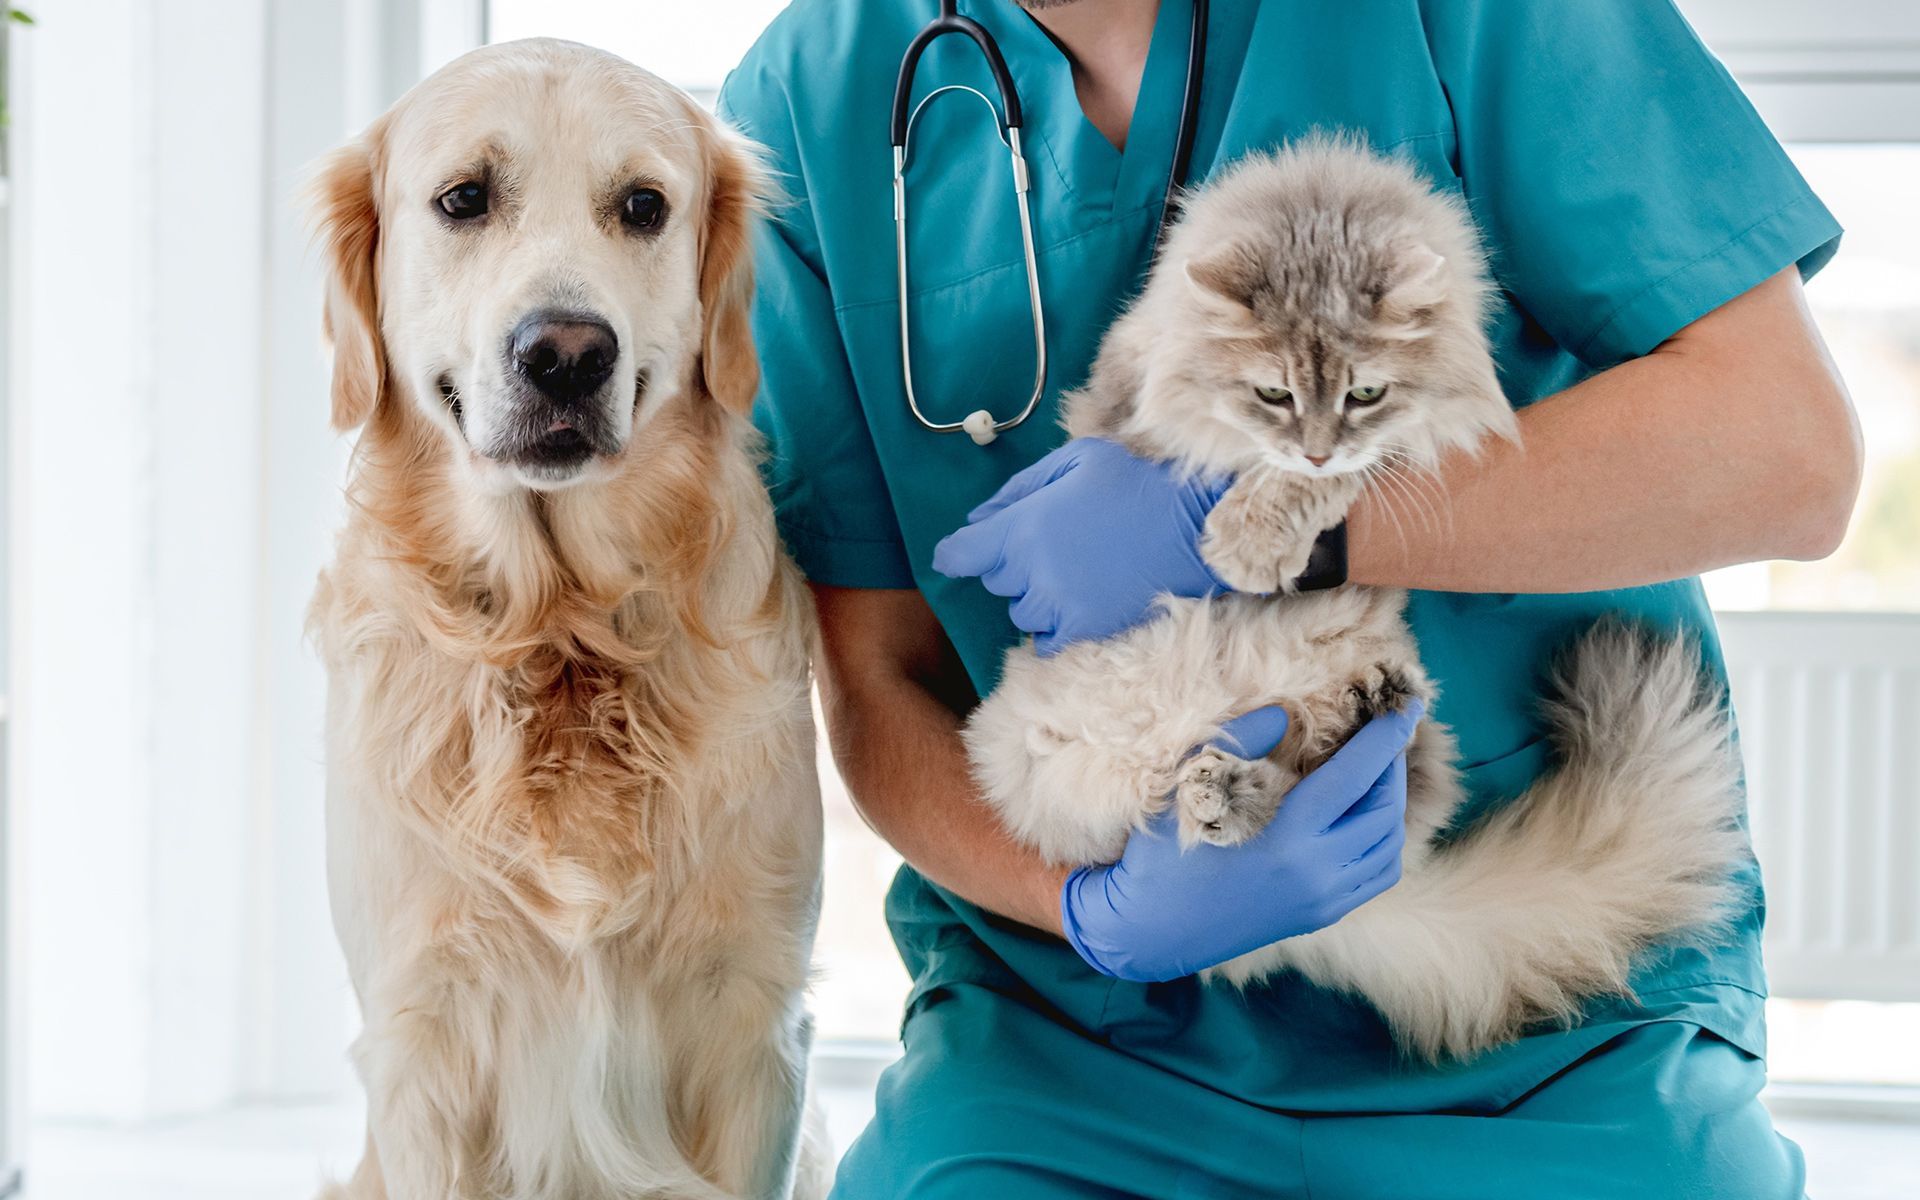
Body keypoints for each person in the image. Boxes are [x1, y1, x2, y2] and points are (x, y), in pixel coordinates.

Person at [717, 2, 1862, 1195]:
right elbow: (875, 681)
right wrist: (1098, 910)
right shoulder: (816, 96)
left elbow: (1787, 453)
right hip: (1071, 1033)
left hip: (1555, 1025)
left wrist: (1292, 529)